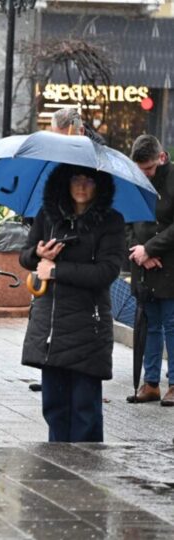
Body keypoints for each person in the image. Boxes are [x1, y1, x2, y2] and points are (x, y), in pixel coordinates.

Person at [20, 164, 124, 442]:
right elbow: (26, 256)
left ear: (99, 185)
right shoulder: (48, 215)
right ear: (64, 183)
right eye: (76, 179)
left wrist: (56, 271)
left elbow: (106, 272)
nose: (81, 186)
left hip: (87, 324)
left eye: (89, 180)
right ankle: (57, 468)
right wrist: (37, 253)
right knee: (54, 406)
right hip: (51, 325)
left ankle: (86, 470)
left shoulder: (111, 222)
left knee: (84, 409)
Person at [127, 135, 174, 406]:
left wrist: (151, 248)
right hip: (143, 265)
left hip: (169, 264)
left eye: (149, 169)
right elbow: (123, 220)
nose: (145, 175)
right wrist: (138, 252)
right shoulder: (133, 179)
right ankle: (151, 382)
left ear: (161, 158)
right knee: (149, 325)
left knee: (171, 325)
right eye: (140, 169)